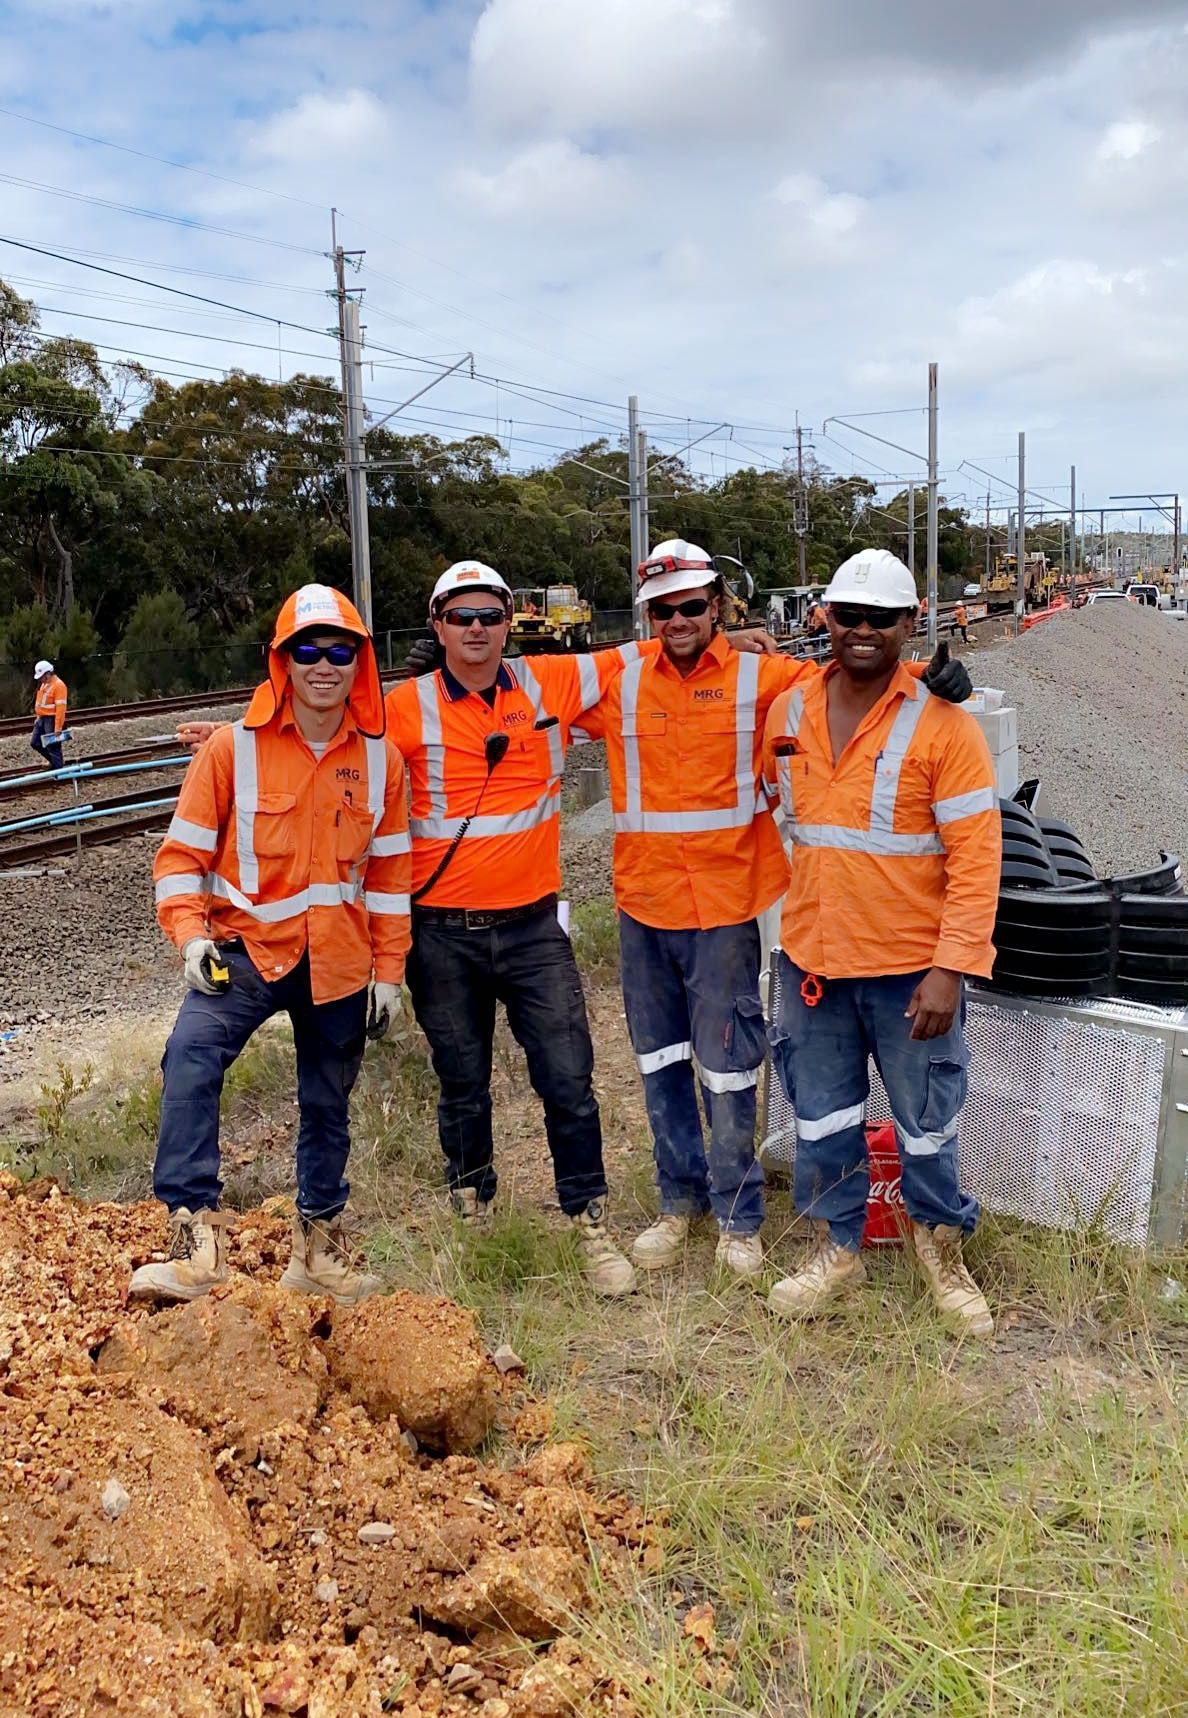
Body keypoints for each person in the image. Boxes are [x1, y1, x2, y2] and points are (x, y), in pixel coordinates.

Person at [576, 539, 974, 1287]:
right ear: (648, 617)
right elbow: (515, 684)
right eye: (663, 609)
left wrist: (937, 675)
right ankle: (677, 1202)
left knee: (730, 1071)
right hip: (643, 905)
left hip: (726, 908)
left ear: (720, 605)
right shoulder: (619, 680)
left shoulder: (770, 678)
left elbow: (861, 671)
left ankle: (738, 1217)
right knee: (659, 1065)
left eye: (693, 605)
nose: (679, 619)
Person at [132, 585, 411, 1308]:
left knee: (327, 1103)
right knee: (190, 1058)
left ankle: (316, 1251)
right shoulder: (232, 749)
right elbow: (178, 861)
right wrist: (190, 938)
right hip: (246, 954)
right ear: (282, 661)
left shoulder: (383, 763)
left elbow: (387, 878)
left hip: (340, 961)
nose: (324, 664)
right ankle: (194, 1243)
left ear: (359, 661)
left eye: (339, 650)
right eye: (307, 651)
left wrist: (389, 973)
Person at [387, 560, 647, 1297]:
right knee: (461, 1081)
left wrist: (746, 639)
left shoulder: (546, 685)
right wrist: (232, 730)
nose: (476, 630)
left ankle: (588, 1220)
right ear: (436, 626)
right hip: (441, 933)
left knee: (568, 1076)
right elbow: (317, 711)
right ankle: (472, 1206)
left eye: (488, 617)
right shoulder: (401, 706)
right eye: (460, 617)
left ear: (510, 621)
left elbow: (648, 657)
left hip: (533, 928)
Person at [762, 549, 1001, 1337]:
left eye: (882, 619)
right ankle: (840, 1245)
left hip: (909, 974)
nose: (863, 632)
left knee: (926, 1119)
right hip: (813, 962)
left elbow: (976, 859)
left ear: (911, 623)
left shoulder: (946, 724)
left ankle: (941, 1246)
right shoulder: (789, 708)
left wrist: (952, 969)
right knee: (822, 1117)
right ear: (824, 618)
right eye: (849, 617)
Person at [31, 659, 68, 770]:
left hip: (51, 720)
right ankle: (55, 763)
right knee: (35, 743)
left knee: (53, 746)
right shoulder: (45, 684)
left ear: (47, 674)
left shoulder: (59, 686)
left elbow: (61, 709)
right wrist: (38, 717)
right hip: (42, 719)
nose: (40, 680)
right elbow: (41, 702)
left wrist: (58, 727)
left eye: (41, 677)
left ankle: (58, 770)